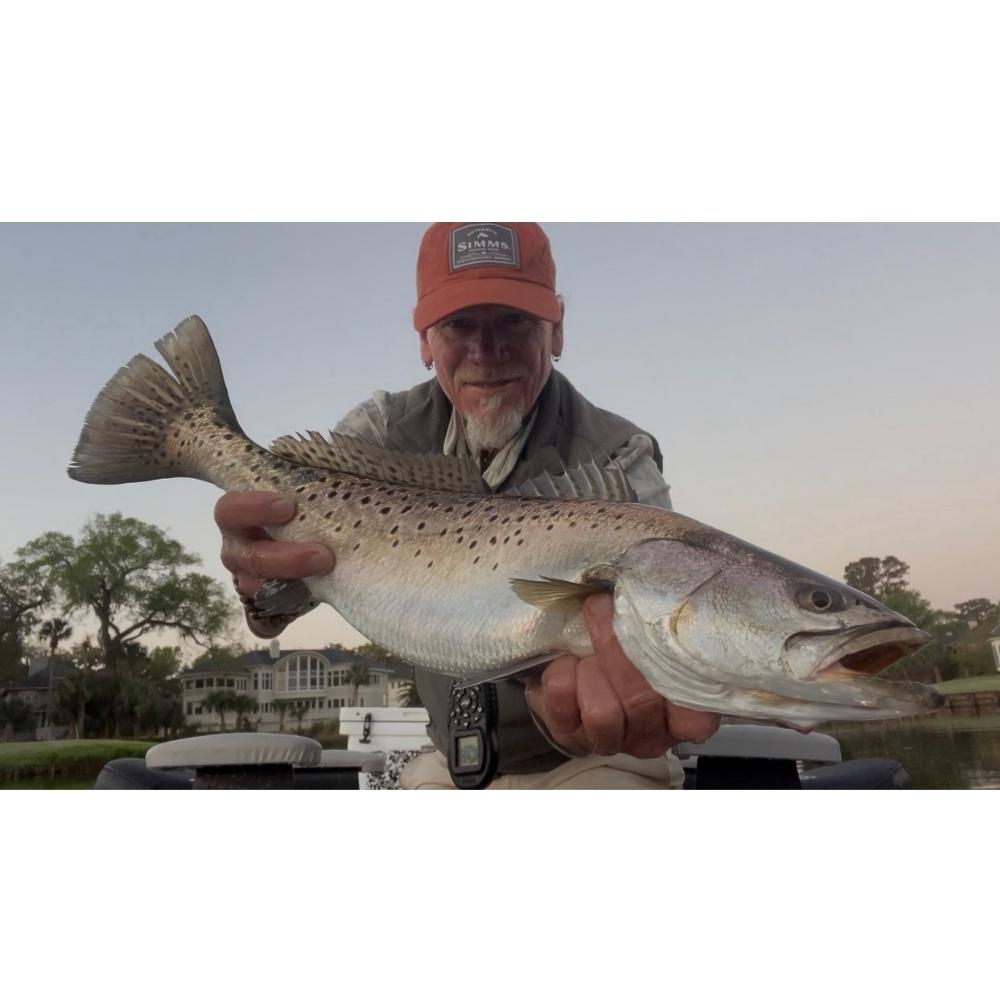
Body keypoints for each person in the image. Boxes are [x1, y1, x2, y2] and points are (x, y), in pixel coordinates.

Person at [217, 222, 720, 789]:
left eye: (514, 320)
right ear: (424, 342)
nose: (487, 350)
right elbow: (294, 581)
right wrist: (261, 588)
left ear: (555, 332)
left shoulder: (619, 458)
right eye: (459, 324)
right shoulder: (378, 431)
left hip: (596, 761)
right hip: (446, 763)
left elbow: (666, 620)